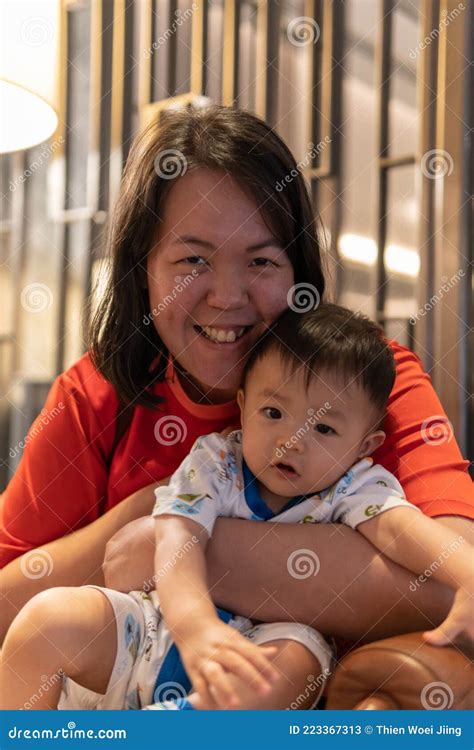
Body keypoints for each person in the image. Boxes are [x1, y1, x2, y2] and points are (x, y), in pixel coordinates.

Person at [1, 106, 472, 653]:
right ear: (143, 269)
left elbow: (449, 585)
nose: (227, 296)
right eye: (193, 260)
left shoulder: (365, 383)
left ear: (298, 271)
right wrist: (138, 513)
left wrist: (177, 545)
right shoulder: (96, 392)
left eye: (262, 262)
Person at [2, 305, 472, 711]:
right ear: (243, 407)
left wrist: (467, 575)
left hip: (269, 642)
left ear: (365, 445)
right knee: (49, 616)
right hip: (155, 628)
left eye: (324, 430)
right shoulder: (217, 462)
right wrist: (197, 627)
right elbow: (177, 540)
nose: (291, 440)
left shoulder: (355, 485)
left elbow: (401, 530)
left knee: (294, 664)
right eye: (273, 414)